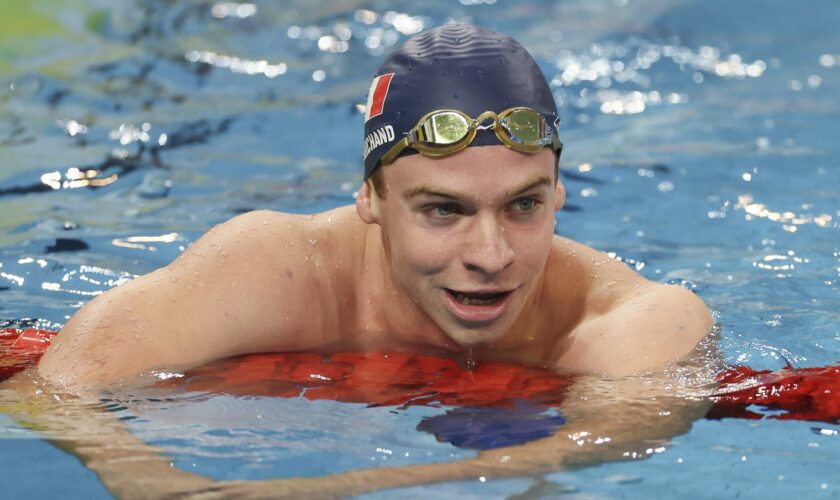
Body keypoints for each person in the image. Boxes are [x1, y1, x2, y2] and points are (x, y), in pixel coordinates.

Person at [3, 23, 714, 497]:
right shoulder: (278, 267)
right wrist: (170, 488)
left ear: (559, 191)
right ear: (369, 198)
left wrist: (313, 492)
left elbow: (594, 448)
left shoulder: (639, 321)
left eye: (523, 206)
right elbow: (54, 388)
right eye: (444, 210)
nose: (491, 257)